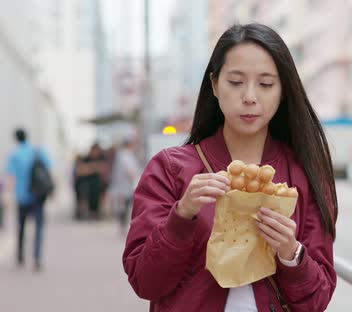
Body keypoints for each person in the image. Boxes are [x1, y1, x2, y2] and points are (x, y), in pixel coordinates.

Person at [123, 23, 338, 311]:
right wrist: (182, 216)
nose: (250, 96)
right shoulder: (170, 169)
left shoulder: (304, 174)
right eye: (236, 82)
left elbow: (317, 301)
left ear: (283, 90)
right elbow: (145, 282)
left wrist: (290, 252)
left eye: (265, 84)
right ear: (214, 84)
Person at [5, 128, 51, 271]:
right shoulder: (37, 152)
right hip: (37, 196)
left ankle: (20, 256)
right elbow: (48, 168)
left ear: (16, 139)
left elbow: (9, 177)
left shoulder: (14, 155)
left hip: (22, 196)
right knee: (38, 227)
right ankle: (37, 258)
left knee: (21, 227)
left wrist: (7, 195)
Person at [109, 139, 141, 234]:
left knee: (125, 205)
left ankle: (123, 225)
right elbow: (129, 169)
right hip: (124, 186)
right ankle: (123, 225)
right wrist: (136, 176)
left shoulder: (124, 155)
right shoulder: (125, 155)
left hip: (125, 186)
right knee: (124, 206)